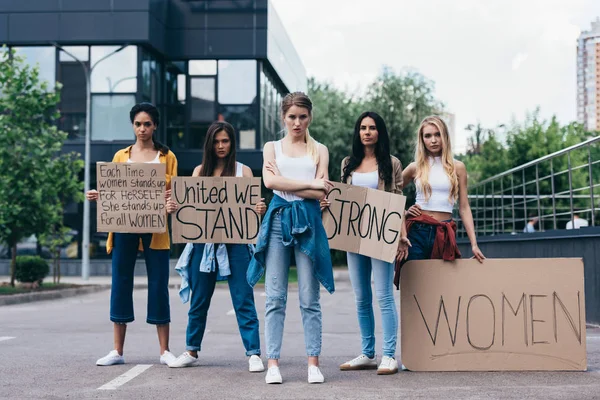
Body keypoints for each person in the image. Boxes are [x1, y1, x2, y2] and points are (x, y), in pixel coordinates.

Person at [247, 92, 334, 385]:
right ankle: (273, 362)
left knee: (310, 297)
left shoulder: (320, 149)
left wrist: (298, 186)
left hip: (308, 222)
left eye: (303, 116)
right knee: (275, 296)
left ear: (310, 117)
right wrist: (310, 183)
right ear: (283, 117)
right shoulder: (271, 147)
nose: (297, 122)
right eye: (292, 117)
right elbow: (270, 183)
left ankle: (313, 363)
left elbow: (323, 193)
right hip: (277, 221)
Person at [166, 121, 267, 372]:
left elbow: (251, 215)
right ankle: (191, 349)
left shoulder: (244, 172)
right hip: (204, 245)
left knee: (243, 299)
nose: (221, 146)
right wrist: (173, 209)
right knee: (199, 300)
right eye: (217, 141)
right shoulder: (199, 172)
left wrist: (258, 210)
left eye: (226, 141)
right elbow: (187, 209)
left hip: (237, 245)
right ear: (209, 144)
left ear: (232, 144)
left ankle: (253, 353)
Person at [86, 102, 179, 366]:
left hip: (156, 228)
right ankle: (117, 351)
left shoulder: (167, 157)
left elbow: (175, 196)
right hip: (123, 227)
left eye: (147, 124)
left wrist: (171, 204)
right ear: (132, 125)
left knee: (159, 285)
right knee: (120, 284)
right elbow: (115, 192)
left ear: (155, 126)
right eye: (138, 124)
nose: (142, 129)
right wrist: (98, 196)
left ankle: (164, 351)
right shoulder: (120, 156)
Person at [333, 111, 410, 375]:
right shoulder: (347, 163)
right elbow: (342, 200)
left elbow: (398, 201)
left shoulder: (392, 163)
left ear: (379, 132)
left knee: (384, 296)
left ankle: (389, 355)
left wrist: (401, 236)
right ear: (358, 132)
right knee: (361, 297)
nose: (367, 132)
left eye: (372, 128)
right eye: (363, 128)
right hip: (354, 235)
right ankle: (367, 353)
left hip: (381, 235)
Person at [396, 115, 484, 288]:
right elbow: (392, 191)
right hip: (417, 232)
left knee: (441, 290)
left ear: (445, 136)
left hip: (443, 233)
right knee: (415, 289)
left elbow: (464, 208)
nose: (433, 140)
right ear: (422, 140)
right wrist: (404, 212)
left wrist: (474, 244)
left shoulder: (458, 167)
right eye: (427, 136)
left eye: (437, 134)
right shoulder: (415, 167)